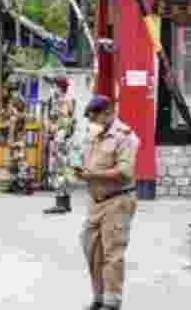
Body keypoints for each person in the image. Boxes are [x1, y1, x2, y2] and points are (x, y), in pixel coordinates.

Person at [75, 95, 140, 310]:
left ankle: (112, 302)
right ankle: (99, 297)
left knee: (113, 253)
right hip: (96, 202)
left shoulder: (125, 137)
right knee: (91, 247)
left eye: (95, 118)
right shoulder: (95, 136)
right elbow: (89, 163)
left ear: (108, 113)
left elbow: (125, 171)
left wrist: (93, 175)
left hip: (118, 201)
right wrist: (81, 171)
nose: (92, 123)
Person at [44, 77, 78, 214]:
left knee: (58, 171)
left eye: (54, 86)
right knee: (65, 171)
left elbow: (63, 121)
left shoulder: (63, 102)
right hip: (65, 140)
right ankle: (66, 202)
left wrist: (52, 129)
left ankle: (60, 203)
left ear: (59, 87)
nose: (53, 89)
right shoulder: (68, 101)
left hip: (60, 140)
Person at [3, 79, 31, 194]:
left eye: (11, 89)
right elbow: (9, 115)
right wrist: (7, 113)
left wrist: (14, 114)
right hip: (13, 134)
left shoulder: (20, 100)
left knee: (20, 159)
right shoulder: (12, 101)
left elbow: (22, 116)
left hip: (18, 135)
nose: (11, 92)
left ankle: (24, 184)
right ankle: (13, 183)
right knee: (12, 161)